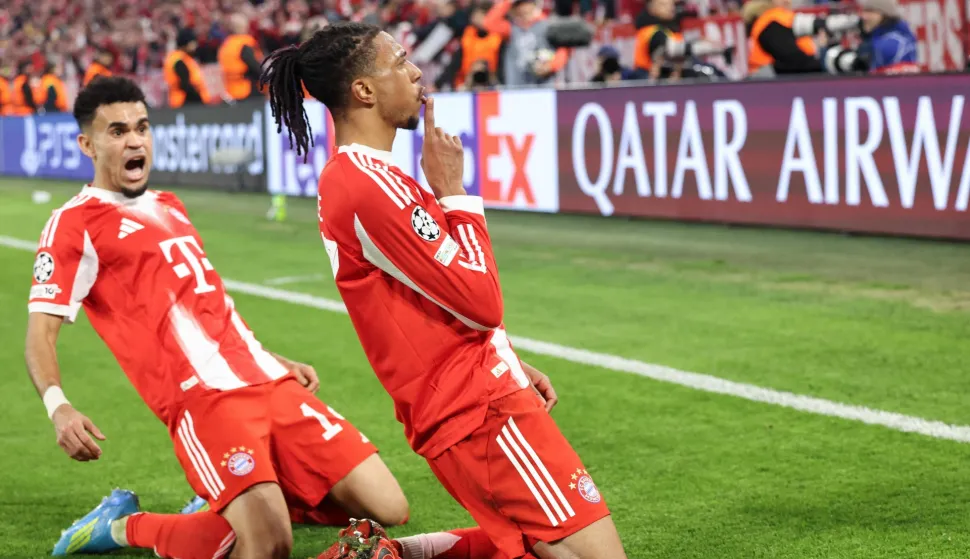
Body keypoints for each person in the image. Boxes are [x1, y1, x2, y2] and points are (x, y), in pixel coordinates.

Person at [260, 22, 628, 559]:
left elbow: (434, 297)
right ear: (364, 90)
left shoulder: (369, 178)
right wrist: (455, 193)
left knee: (538, 547)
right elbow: (481, 301)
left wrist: (505, 357)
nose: (416, 72)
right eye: (401, 61)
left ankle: (392, 555)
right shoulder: (367, 184)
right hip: (479, 412)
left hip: (471, 400)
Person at [26, 76, 408, 559]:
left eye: (142, 127)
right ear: (87, 144)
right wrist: (58, 407)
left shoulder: (170, 204)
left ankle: (231, 503)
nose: (135, 140)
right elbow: (41, 333)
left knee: (387, 508)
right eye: (117, 131)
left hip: (267, 380)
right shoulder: (74, 223)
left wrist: (270, 357)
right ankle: (125, 526)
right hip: (206, 401)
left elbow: (208, 305)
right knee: (270, 546)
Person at [857, 0, 919, 74]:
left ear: (885, 15)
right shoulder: (878, 39)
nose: (864, 16)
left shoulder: (892, 43)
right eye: (864, 11)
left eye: (871, 11)